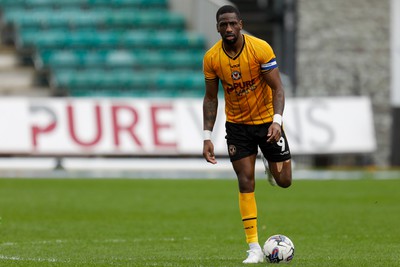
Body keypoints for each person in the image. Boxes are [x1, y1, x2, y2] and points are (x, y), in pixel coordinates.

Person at [202, 5, 292, 264]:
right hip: (238, 125)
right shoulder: (212, 58)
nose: (228, 29)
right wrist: (207, 135)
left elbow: (278, 88)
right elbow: (210, 98)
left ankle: (270, 162)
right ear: (218, 27)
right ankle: (253, 247)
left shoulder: (259, 48)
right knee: (245, 180)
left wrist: (277, 121)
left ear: (240, 24)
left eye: (232, 23)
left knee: (284, 181)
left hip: (267, 122)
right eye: (223, 25)